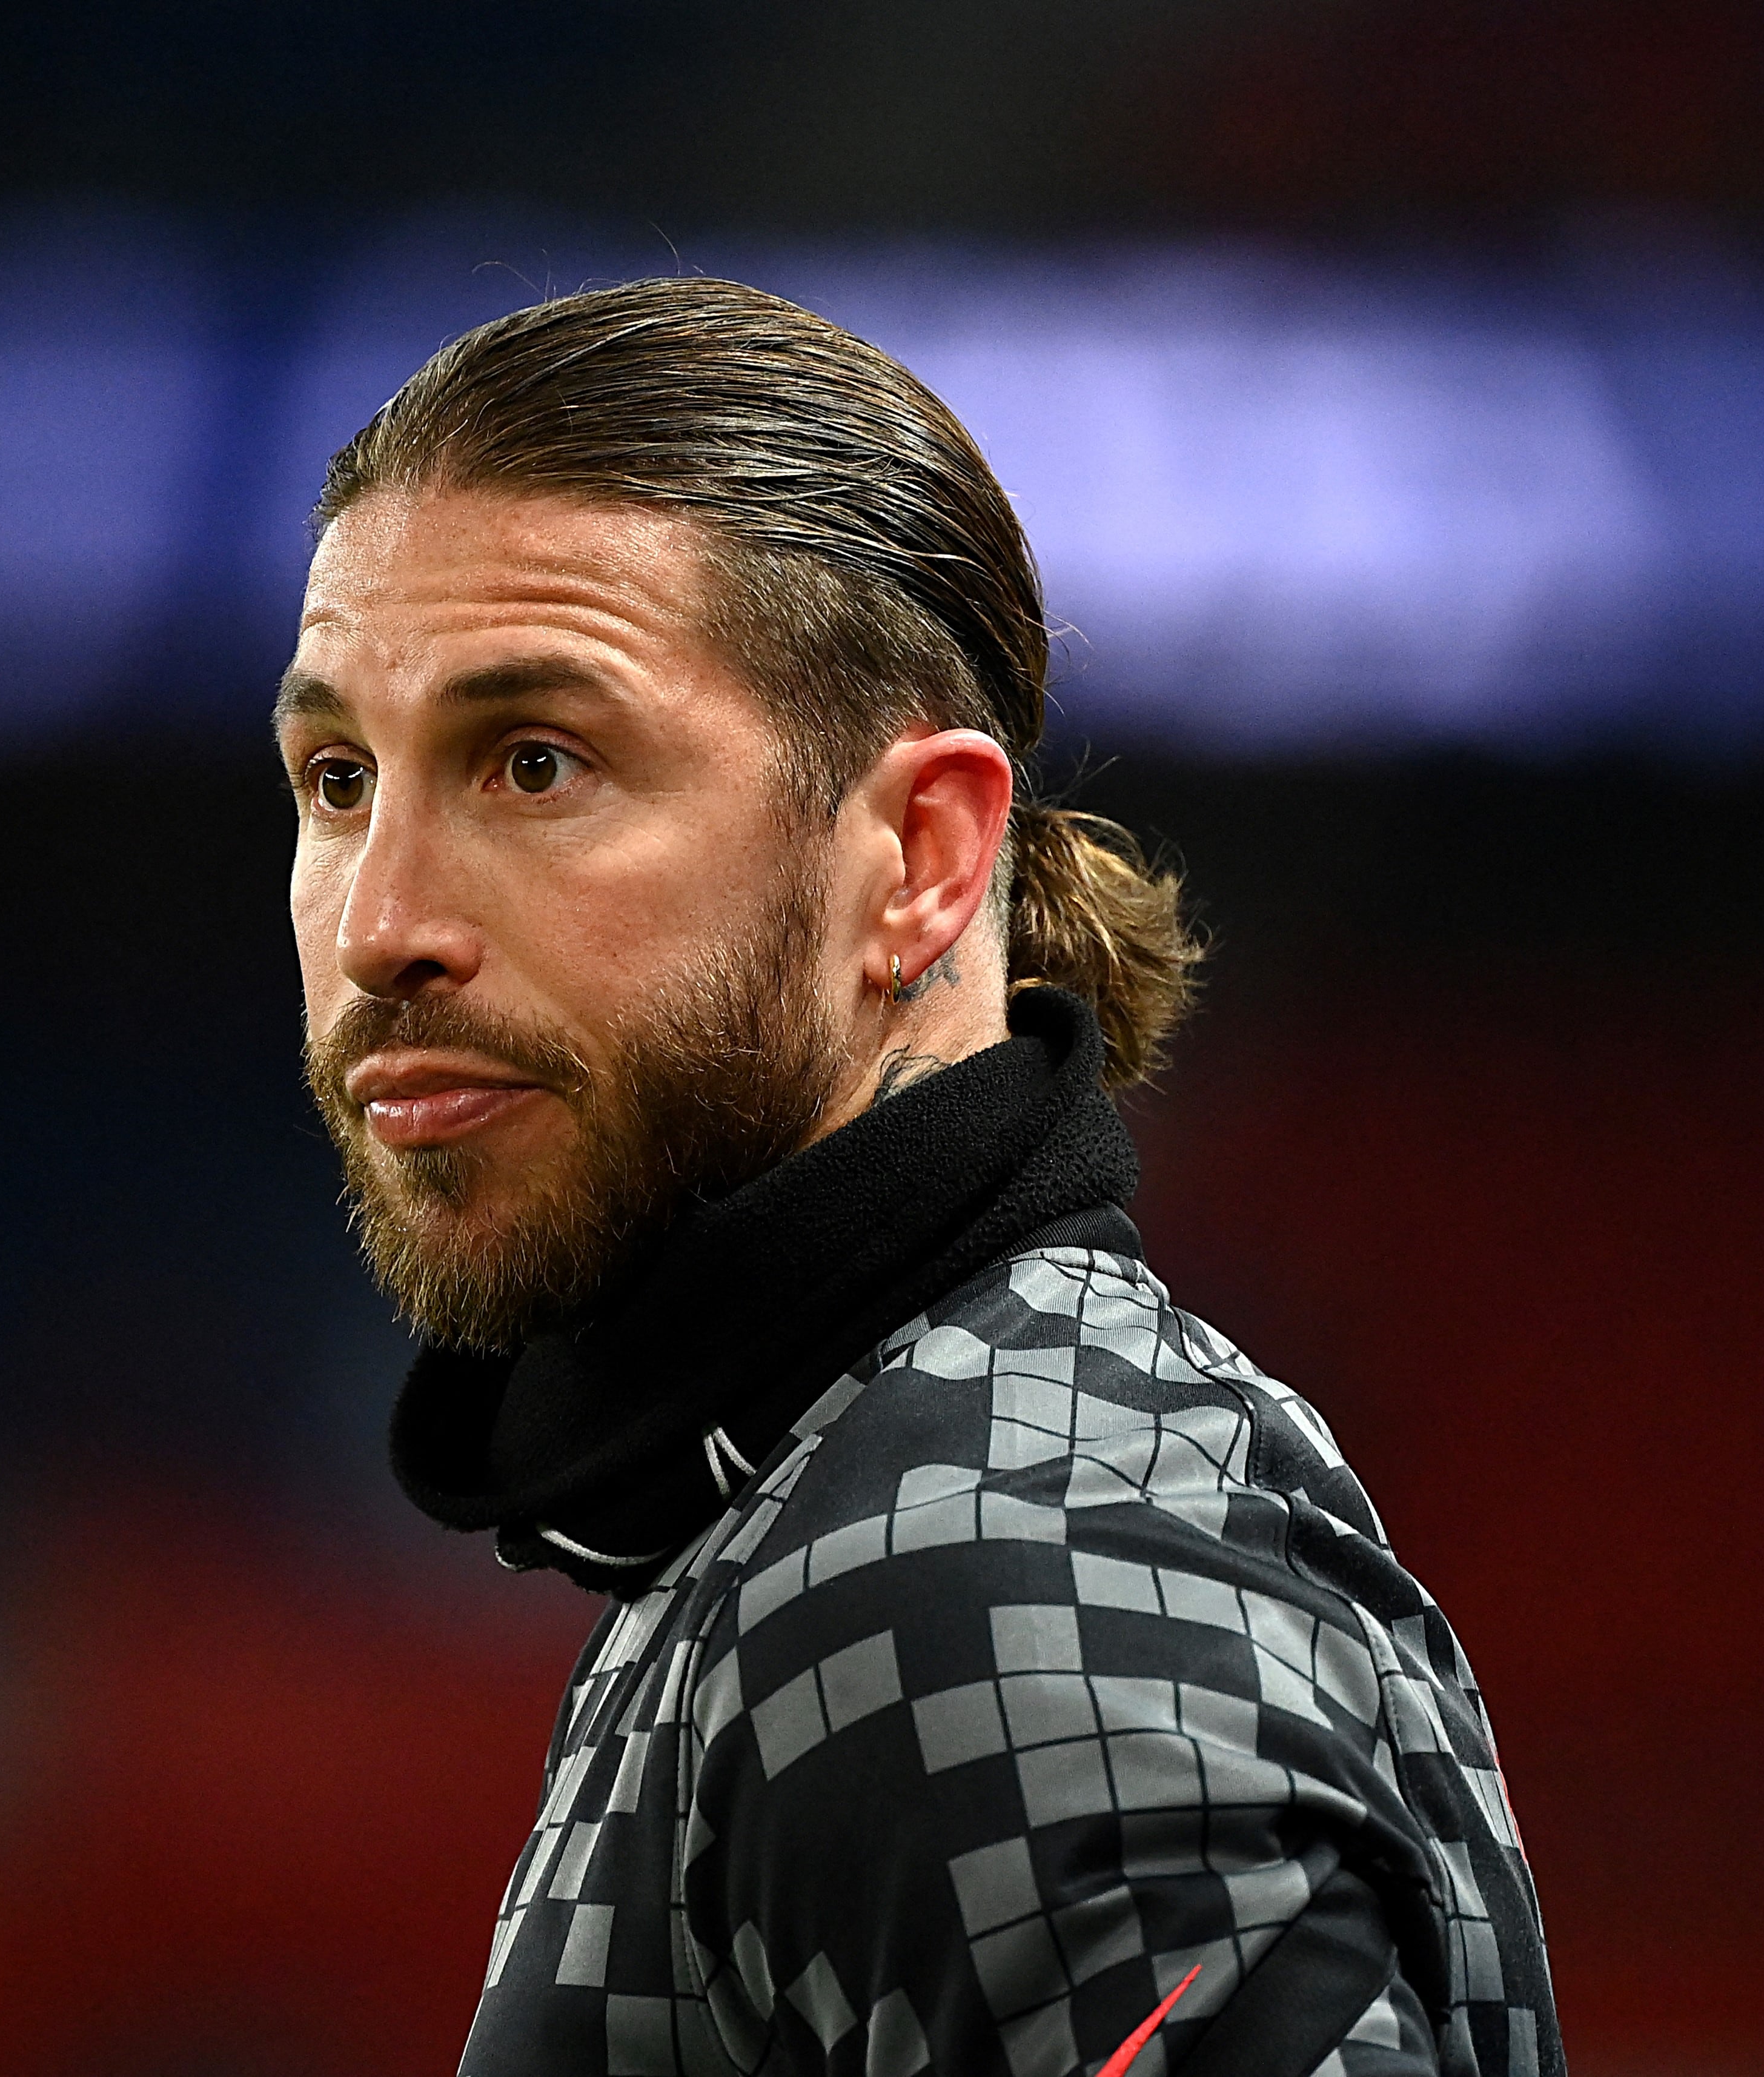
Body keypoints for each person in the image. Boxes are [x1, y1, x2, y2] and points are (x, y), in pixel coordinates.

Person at [275, 277, 1558, 2077]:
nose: (383, 922)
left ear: (920, 857)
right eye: (337, 777)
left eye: (535, 760)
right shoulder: (843, 1500)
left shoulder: (990, 1561)